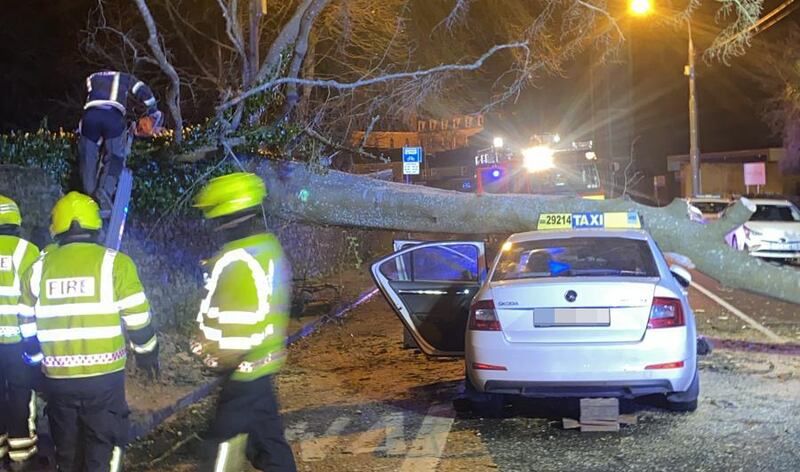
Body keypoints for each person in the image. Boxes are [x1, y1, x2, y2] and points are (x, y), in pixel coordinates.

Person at [18, 192, 159, 472]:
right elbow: (138, 319)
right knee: (99, 453)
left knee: (67, 455)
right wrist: (147, 355)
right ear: (95, 227)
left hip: (58, 382)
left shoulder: (37, 269)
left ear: (56, 228)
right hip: (104, 383)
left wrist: (35, 366)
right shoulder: (115, 264)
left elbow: (26, 325)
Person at [191, 172, 296, 472]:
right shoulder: (267, 247)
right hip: (263, 362)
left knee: (218, 447)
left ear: (227, 216)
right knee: (269, 445)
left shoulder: (235, 259)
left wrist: (204, 352)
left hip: (242, 370)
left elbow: (234, 328)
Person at [78, 71, 162, 210]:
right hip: (113, 116)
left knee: (88, 157)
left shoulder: (91, 77)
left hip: (90, 117)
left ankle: (89, 198)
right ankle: (104, 192)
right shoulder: (123, 77)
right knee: (115, 156)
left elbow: (85, 97)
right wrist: (153, 109)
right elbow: (142, 90)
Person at [0, 195, 41, 468]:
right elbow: (37, 299)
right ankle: (21, 456)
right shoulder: (29, 251)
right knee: (20, 395)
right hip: (18, 341)